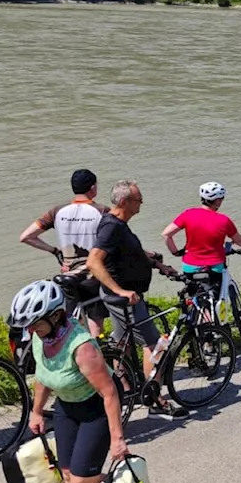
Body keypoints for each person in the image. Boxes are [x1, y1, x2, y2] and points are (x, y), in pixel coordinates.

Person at [13, 280, 127, 483]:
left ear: (55, 316)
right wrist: (37, 411)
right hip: (67, 407)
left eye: (35, 323)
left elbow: (110, 392)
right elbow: (43, 377)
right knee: (68, 475)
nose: (30, 331)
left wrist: (118, 439)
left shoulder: (81, 347)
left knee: (79, 480)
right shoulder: (41, 339)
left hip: (96, 408)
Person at [86, 180, 187, 420]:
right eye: (138, 199)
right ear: (124, 202)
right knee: (155, 345)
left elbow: (130, 252)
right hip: (125, 300)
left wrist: (158, 264)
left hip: (124, 298)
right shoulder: (112, 227)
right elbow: (94, 261)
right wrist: (120, 291)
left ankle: (123, 391)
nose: (141, 203)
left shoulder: (119, 225)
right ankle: (155, 400)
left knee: (121, 346)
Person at [19, 169, 108, 336]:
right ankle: (98, 355)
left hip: (68, 276)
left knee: (72, 323)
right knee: (95, 324)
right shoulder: (102, 211)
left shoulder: (57, 211)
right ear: (93, 187)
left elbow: (26, 237)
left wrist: (54, 250)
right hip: (93, 276)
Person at [161, 182, 241, 273]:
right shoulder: (224, 220)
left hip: (190, 265)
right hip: (215, 265)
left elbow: (166, 234)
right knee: (223, 287)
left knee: (191, 287)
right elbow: (239, 240)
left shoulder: (188, 214)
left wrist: (176, 252)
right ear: (218, 200)